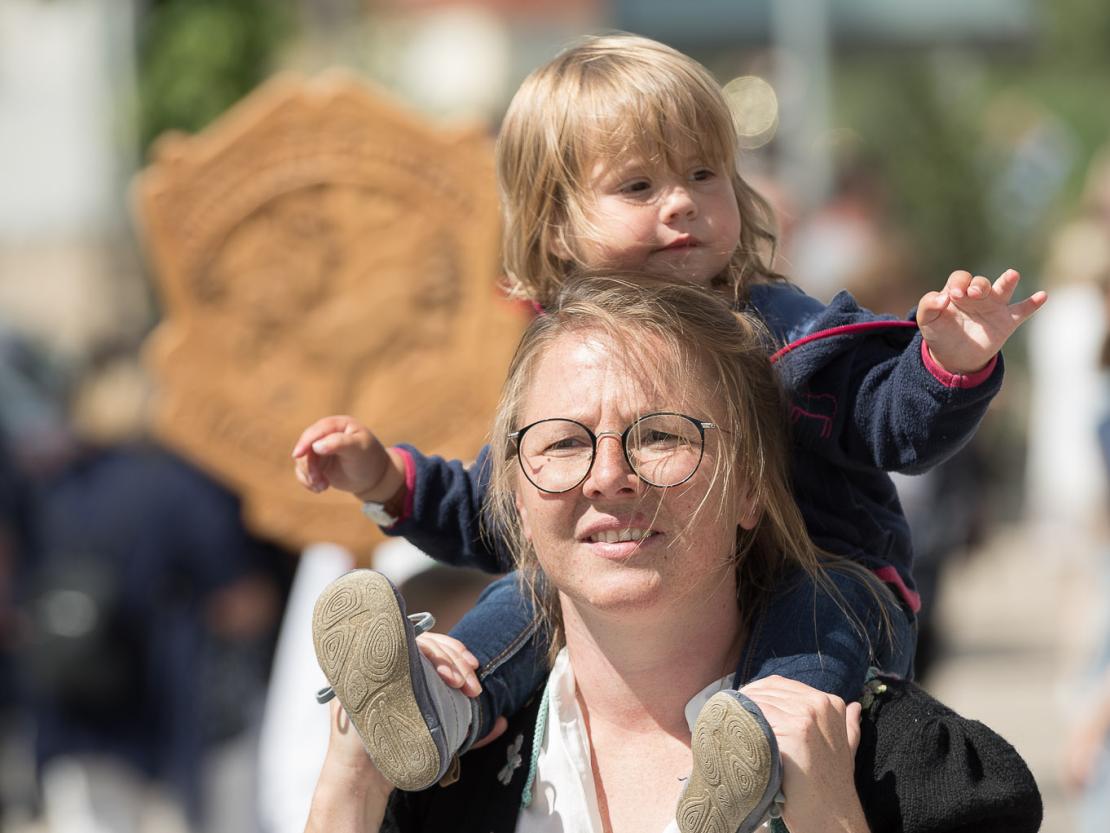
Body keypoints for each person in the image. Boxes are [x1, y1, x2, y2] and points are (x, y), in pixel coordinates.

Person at [292, 33, 1045, 833]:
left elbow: (888, 422)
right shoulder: (557, 361)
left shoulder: (784, 333)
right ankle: (444, 702)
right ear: (555, 226)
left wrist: (945, 366)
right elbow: (495, 507)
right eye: (639, 184)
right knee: (530, 584)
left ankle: (756, 752)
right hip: (533, 691)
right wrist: (389, 481)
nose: (681, 202)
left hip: (833, 584)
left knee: (814, 603)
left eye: (701, 174)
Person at [302, 277, 1042, 833]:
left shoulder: (904, 765)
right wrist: (350, 787)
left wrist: (829, 817)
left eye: (660, 435)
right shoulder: (437, 770)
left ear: (750, 486)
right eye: (562, 441)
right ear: (515, 498)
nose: (607, 474)